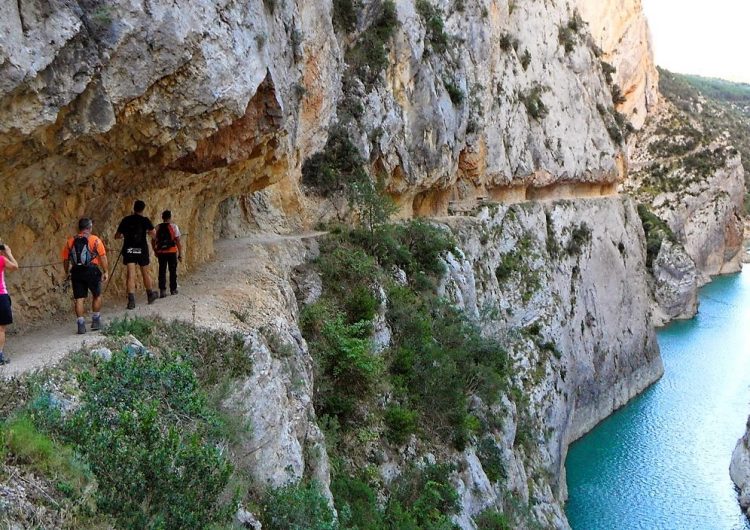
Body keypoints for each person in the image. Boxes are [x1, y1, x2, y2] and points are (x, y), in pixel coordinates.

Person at [61, 218, 109, 335]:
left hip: (76, 271)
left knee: (79, 298)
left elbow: (66, 259)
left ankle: (81, 324)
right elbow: (102, 256)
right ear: (90, 227)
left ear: (79, 228)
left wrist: (67, 271)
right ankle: (96, 320)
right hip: (92, 270)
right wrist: (106, 271)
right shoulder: (95, 240)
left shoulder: (70, 241)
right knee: (97, 295)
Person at [115, 200, 158, 309]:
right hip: (141, 249)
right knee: (145, 273)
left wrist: (124, 236)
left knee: (131, 275)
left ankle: (131, 301)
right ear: (143, 209)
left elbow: (117, 235)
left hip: (129, 249)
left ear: (133, 208)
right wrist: (148, 233)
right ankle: (150, 295)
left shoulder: (126, 220)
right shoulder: (145, 220)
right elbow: (154, 234)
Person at [152, 210, 183, 298]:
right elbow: (178, 241)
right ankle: (173, 289)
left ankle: (162, 291)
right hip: (172, 251)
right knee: (172, 270)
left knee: (162, 271)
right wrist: (180, 254)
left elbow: (153, 240)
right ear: (170, 217)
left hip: (161, 252)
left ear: (162, 217)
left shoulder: (157, 227)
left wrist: (155, 250)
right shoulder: (174, 226)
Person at [0, 242, 19, 364]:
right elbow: (15, 266)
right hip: (1, 295)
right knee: (1, 328)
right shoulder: (1, 259)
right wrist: (9, 253)